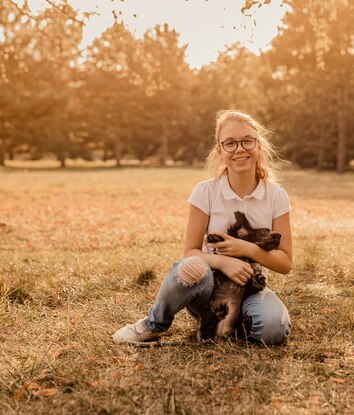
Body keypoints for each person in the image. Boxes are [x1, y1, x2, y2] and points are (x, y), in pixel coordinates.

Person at [113, 110, 292, 345]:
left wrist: (245, 249)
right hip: (206, 287)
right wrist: (223, 261)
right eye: (230, 143)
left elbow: (285, 263)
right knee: (190, 268)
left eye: (247, 140)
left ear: (258, 145)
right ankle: (153, 323)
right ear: (219, 150)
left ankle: (229, 326)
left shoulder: (276, 195)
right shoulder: (205, 192)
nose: (240, 149)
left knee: (273, 330)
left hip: (250, 288)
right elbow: (191, 252)